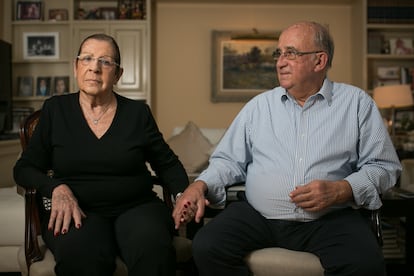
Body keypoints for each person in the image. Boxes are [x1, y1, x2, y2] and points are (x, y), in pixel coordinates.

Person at [172, 21, 402, 276]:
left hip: (329, 219)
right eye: (278, 53)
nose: (280, 62)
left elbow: (384, 166)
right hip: (258, 216)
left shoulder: (357, 104)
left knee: (366, 263)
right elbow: (227, 161)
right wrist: (199, 185)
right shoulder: (259, 107)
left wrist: (341, 189)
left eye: (290, 53)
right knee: (207, 246)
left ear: (319, 61)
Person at [14, 33, 188, 276]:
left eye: (105, 61)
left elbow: (167, 164)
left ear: (118, 74)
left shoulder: (138, 113)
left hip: (137, 207)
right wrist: (55, 188)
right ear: (76, 67)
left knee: (152, 250)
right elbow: (24, 168)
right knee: (81, 254)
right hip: (77, 210)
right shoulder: (56, 110)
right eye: (87, 59)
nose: (94, 68)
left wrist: (182, 195)